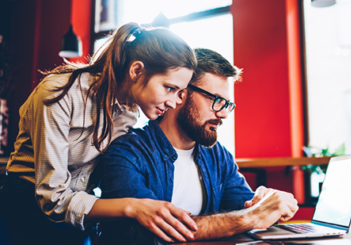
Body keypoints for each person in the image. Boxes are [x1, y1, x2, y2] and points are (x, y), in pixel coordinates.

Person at [0, 22, 199, 245]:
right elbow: (52, 199)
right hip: (23, 210)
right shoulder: (59, 94)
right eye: (169, 88)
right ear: (136, 70)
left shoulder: (131, 112)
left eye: (179, 92)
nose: (173, 102)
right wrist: (134, 206)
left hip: (77, 218)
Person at [98, 48, 299, 244]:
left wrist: (269, 203)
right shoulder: (126, 152)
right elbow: (147, 234)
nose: (223, 114)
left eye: (227, 104)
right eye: (216, 100)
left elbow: (248, 208)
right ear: (180, 93)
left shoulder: (217, 155)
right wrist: (251, 217)